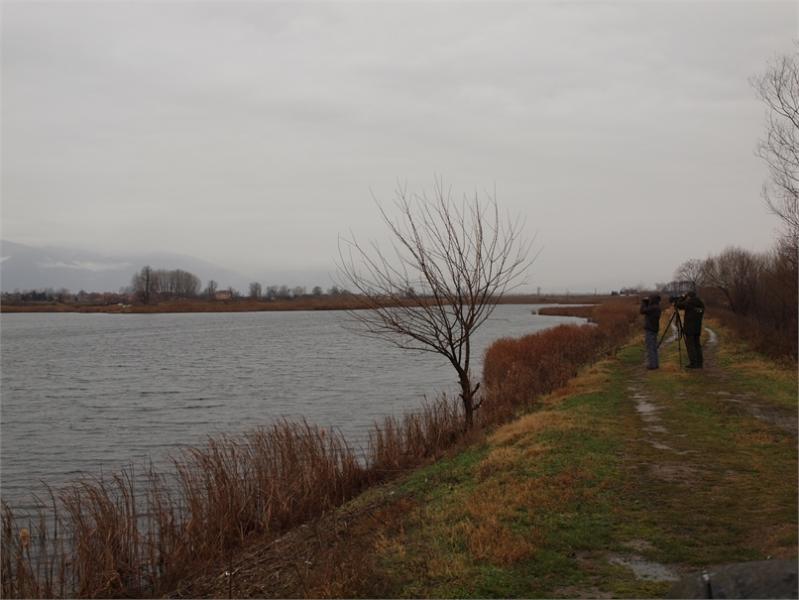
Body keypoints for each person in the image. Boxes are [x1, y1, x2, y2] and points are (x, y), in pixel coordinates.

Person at [675, 291, 705, 369]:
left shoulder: (689, 302)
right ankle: (700, 363)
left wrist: (682, 297)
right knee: (697, 345)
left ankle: (693, 363)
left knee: (691, 345)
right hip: (697, 328)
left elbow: (678, 305)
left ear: (689, 296)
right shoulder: (701, 304)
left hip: (689, 328)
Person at [640, 295, 662, 369]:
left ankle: (652, 365)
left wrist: (644, 302)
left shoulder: (653, 308)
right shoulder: (657, 307)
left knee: (650, 347)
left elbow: (642, 311)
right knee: (654, 347)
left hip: (650, 329)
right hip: (654, 329)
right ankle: (655, 364)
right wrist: (647, 303)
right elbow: (646, 311)